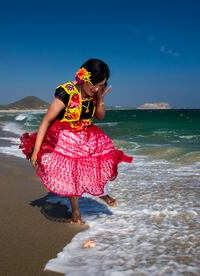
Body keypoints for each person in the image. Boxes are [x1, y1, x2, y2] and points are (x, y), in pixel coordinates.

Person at [19, 58, 132, 224]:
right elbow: (46, 121)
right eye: (95, 84)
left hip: (87, 136)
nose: (97, 88)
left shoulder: (96, 93)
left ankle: (102, 193)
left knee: (97, 166)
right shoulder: (66, 92)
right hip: (66, 137)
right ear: (84, 78)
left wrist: (100, 99)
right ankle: (76, 211)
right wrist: (36, 151)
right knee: (74, 174)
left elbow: (99, 116)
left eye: (102, 85)